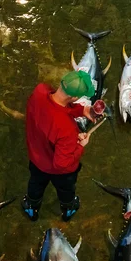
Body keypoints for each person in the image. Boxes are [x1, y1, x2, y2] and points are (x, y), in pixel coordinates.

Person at [22, 70, 99, 221]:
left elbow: (58, 107)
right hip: (60, 172)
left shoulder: (40, 90)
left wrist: (82, 110)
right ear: (74, 97)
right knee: (66, 189)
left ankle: (31, 207)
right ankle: (68, 208)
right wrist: (80, 146)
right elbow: (61, 164)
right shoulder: (66, 129)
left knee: (35, 184)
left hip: (36, 159)